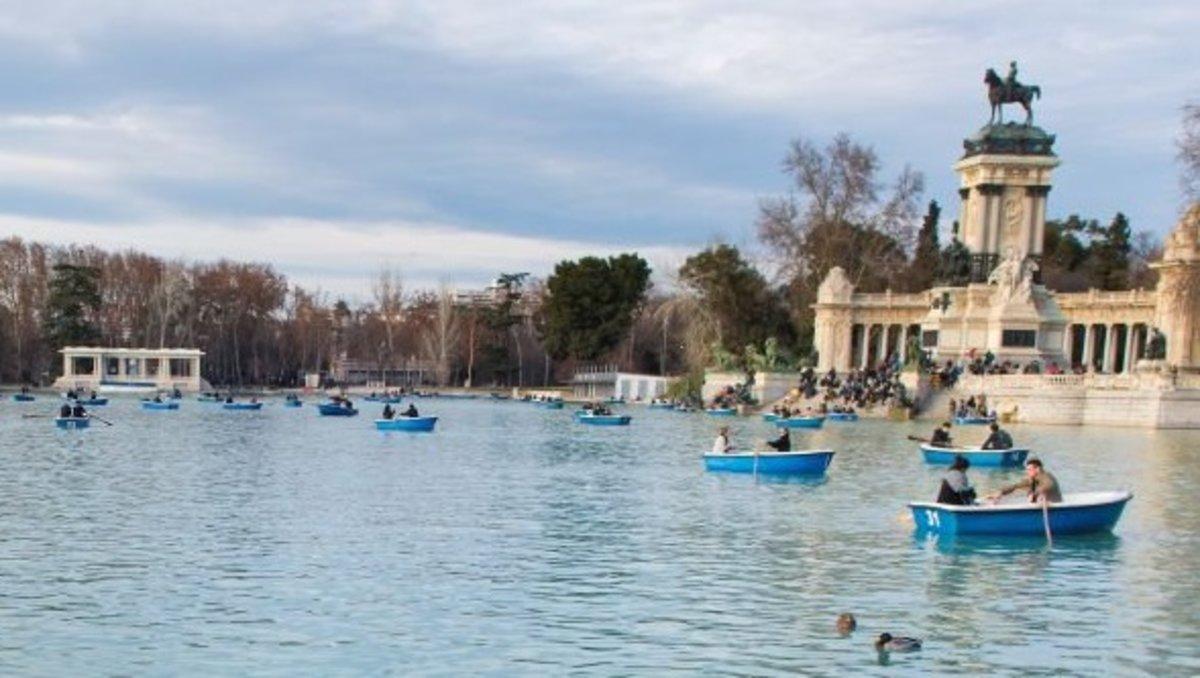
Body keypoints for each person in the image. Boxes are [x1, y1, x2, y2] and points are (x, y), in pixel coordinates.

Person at [988, 458, 1062, 504]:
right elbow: (1016, 486)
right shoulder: (1032, 479)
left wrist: (1034, 495)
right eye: (1027, 470)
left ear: (1038, 469)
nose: (1028, 472)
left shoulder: (1044, 476)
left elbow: (1049, 485)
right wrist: (1001, 492)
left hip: (1052, 506)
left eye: (1030, 470)